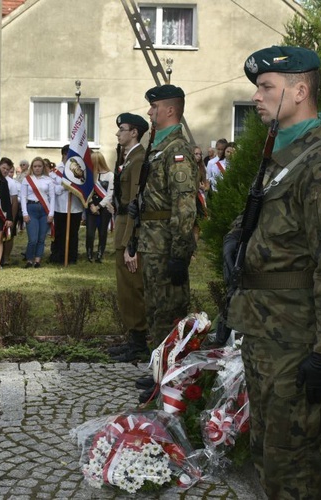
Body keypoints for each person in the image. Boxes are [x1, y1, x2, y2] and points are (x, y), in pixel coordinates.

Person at [225, 46, 321, 499]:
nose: (257, 96)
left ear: (300, 90)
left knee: (295, 463)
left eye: (267, 87)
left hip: (296, 337)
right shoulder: (284, 157)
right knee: (268, 451)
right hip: (266, 330)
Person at [133, 84, 198, 402]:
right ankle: (160, 374)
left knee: (169, 313)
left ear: (170, 110)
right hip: (152, 242)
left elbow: (185, 205)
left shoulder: (177, 150)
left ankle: (171, 378)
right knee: (156, 310)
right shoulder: (157, 147)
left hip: (166, 246)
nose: (149, 112)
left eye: (154, 107)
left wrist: (180, 253)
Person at [107, 113, 150, 363]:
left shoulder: (138, 159)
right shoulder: (128, 158)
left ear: (134, 132)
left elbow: (136, 201)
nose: (117, 133)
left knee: (133, 288)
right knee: (125, 289)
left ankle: (139, 344)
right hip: (122, 225)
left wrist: (131, 244)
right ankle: (133, 339)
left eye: (121, 129)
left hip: (129, 230)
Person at [50, 144, 83, 264]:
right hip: (60, 207)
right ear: (64, 155)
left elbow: (82, 187)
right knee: (59, 233)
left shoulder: (79, 170)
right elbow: (53, 189)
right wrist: (66, 187)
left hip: (75, 207)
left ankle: (72, 257)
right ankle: (58, 256)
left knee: (73, 233)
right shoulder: (55, 172)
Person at [20, 157, 55, 268]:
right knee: (33, 239)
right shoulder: (27, 179)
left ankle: (37, 260)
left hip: (45, 210)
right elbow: (23, 196)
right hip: (31, 208)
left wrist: (51, 214)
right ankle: (29, 259)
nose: (37, 168)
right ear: (32, 167)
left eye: (39, 166)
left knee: (41, 238)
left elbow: (52, 198)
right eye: (35, 166)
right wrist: (24, 213)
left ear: (43, 167)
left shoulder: (48, 180)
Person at [85, 151, 114, 263]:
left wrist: (98, 207)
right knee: (90, 232)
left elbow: (110, 194)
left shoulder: (110, 175)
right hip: (91, 206)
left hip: (104, 207)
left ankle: (99, 255)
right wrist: (92, 205)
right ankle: (89, 254)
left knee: (102, 232)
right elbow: (88, 191)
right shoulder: (91, 175)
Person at [0, 157, 20, 265]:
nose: (5, 171)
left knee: (9, 236)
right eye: (3, 168)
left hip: (8, 214)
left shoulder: (11, 183)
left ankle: (6, 258)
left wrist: (12, 217)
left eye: (8, 169)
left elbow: (15, 201)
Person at [193, 145, 209, 245]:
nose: (198, 156)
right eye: (196, 154)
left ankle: (194, 248)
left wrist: (203, 187)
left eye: (200, 154)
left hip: (198, 198)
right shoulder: (187, 166)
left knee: (198, 224)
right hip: (189, 198)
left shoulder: (202, 168)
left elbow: (207, 185)